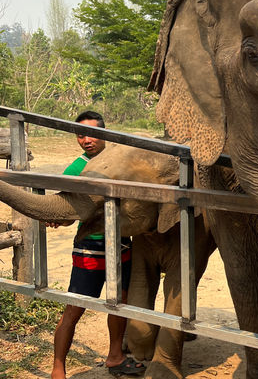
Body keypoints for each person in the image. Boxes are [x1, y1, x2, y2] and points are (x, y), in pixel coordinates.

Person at [49, 111, 145, 379]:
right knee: (75, 308)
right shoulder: (75, 169)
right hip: (89, 249)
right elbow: (67, 211)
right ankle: (58, 367)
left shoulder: (121, 160)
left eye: (93, 134)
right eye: (81, 135)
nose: (87, 140)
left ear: (105, 133)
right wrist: (56, 218)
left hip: (122, 243)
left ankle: (115, 356)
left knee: (119, 303)